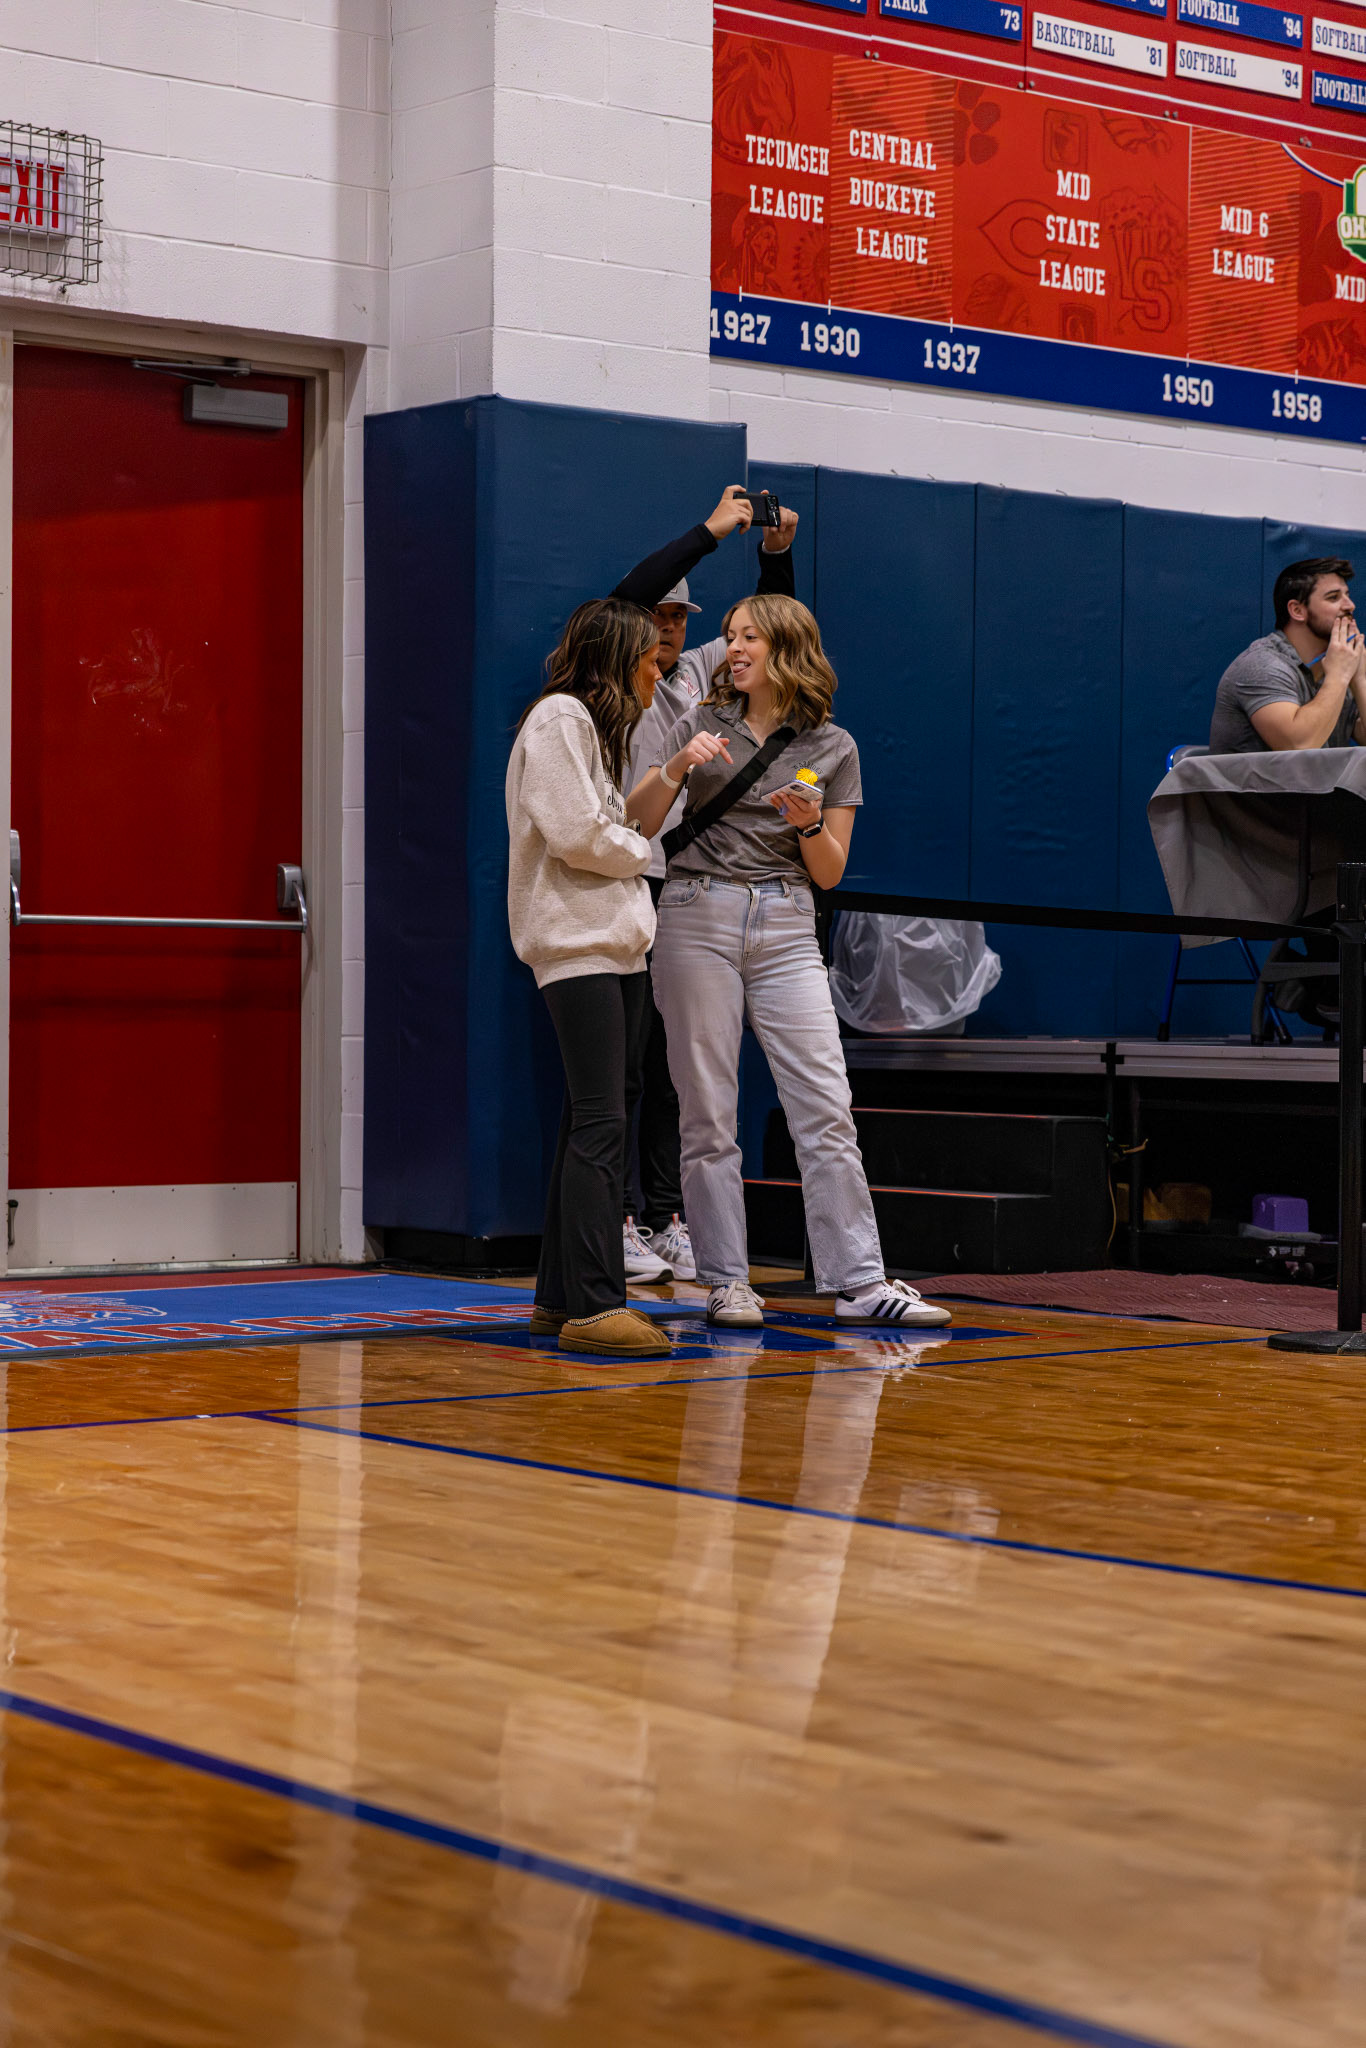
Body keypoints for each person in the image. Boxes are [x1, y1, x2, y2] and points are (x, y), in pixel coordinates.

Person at [627, 592, 953, 1331]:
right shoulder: (698, 720)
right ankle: (727, 1281)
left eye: (749, 636)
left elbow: (830, 872)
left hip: (786, 921)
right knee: (707, 1114)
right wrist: (675, 765)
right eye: (730, 635)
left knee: (826, 1106)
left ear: (786, 648)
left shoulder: (834, 746)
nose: (733, 648)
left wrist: (808, 826)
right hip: (695, 913)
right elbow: (638, 825)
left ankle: (859, 1282)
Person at [609, 485, 799, 1286]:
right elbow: (626, 599)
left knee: (673, 1070)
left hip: (684, 883)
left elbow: (776, 639)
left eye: (681, 618)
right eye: (659, 615)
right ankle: (615, 1218)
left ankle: (663, 1217)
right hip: (626, 878)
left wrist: (775, 558)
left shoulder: (697, 676)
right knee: (621, 1063)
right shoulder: (612, 671)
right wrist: (713, 531)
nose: (668, 628)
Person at [505, 598, 672, 1359]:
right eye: (649, 659)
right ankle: (600, 1306)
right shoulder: (561, 718)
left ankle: (559, 1299)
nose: (657, 671)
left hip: (612, 948)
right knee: (602, 1122)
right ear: (618, 657)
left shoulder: (591, 730)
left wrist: (623, 841)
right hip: (579, 948)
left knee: (591, 1117)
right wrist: (640, 849)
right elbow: (577, 836)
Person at [1210, 557, 1366, 753]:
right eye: (1333, 597)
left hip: (1315, 776)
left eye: (1347, 595)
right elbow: (1298, 746)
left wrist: (1360, 678)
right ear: (1297, 610)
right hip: (1259, 776)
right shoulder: (1262, 665)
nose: (1350, 605)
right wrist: (1339, 676)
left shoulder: (1336, 667)